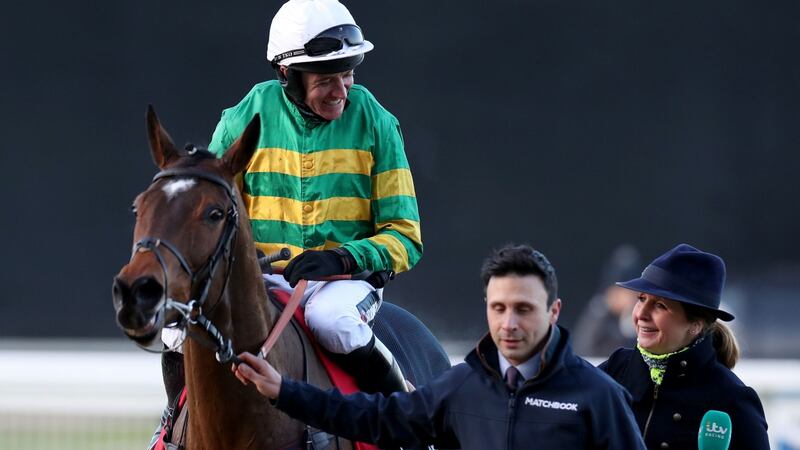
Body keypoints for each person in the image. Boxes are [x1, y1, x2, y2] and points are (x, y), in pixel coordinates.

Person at [149, 1, 422, 447]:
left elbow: (405, 237)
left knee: (332, 321)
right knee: (177, 326)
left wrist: (341, 258)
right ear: (288, 74)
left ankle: (411, 427)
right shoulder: (243, 118)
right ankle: (172, 427)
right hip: (259, 279)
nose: (342, 90)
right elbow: (211, 209)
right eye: (326, 80)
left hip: (342, 285)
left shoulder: (377, 122)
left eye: (348, 74)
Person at [232, 244, 646, 449]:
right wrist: (282, 390)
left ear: (554, 311)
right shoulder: (462, 386)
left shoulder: (599, 397)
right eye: (499, 308)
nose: (509, 323)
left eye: (524, 309)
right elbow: (372, 417)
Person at [599, 243, 770, 450]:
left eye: (660, 305)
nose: (641, 314)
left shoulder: (732, 399)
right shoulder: (613, 372)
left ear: (696, 324)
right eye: (641, 299)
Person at [573, 244, 640, 357]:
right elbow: (582, 349)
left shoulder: (640, 314)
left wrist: (629, 324)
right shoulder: (598, 312)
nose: (629, 297)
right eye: (622, 291)